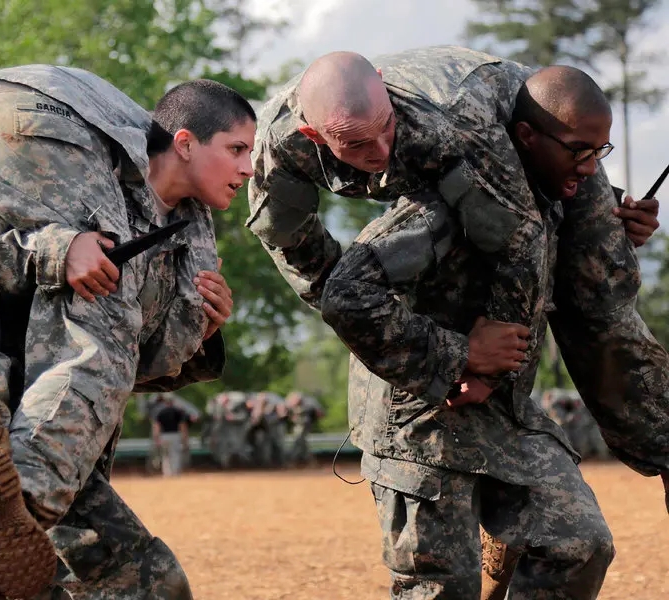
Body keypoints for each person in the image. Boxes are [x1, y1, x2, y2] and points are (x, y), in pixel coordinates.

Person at [0, 67, 250, 598]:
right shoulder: (126, 177)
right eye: (237, 149)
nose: (250, 168)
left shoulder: (178, 221)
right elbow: (111, 348)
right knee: (99, 319)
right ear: (184, 144)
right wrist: (64, 248)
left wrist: (205, 329)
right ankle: (13, 504)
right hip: (44, 113)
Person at [246, 45, 668, 503]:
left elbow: (520, 243)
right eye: (357, 143)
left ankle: (663, 447)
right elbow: (294, 246)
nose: (380, 150)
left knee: (598, 295)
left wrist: (492, 371)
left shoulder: (453, 121)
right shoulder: (278, 144)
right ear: (314, 134)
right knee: (393, 290)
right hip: (456, 173)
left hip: (544, 131)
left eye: (386, 129)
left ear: (387, 91)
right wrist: (403, 340)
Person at [321, 66, 618, 599]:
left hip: (501, 414)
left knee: (580, 545)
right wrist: (456, 358)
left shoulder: (553, 199)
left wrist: (616, 224)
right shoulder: (440, 205)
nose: (590, 168)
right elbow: (346, 294)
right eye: (579, 150)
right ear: (526, 138)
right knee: (442, 589)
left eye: (600, 152)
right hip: (421, 420)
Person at [152, 394, 192, 476]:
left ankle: (167, 473)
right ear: (173, 401)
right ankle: (175, 472)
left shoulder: (160, 412)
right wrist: (185, 437)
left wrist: (156, 438)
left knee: (165, 455)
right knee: (175, 454)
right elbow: (182, 426)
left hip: (164, 436)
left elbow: (157, 426)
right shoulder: (177, 411)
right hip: (175, 435)